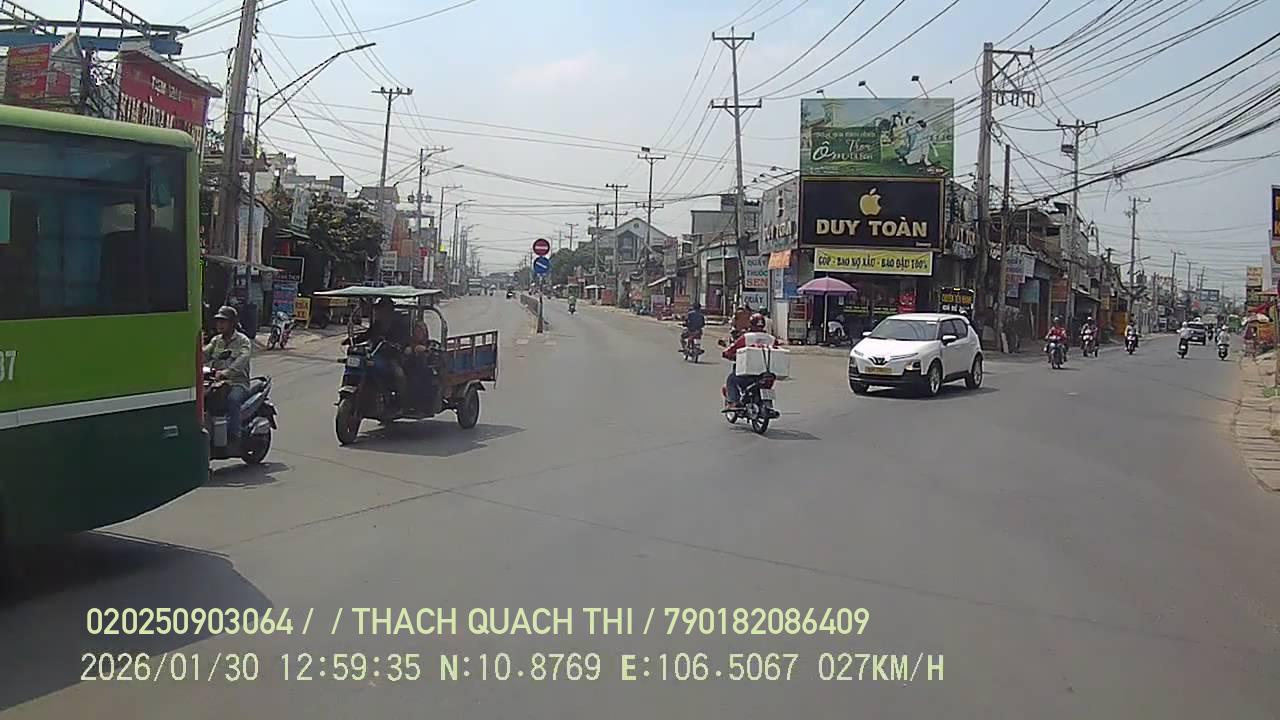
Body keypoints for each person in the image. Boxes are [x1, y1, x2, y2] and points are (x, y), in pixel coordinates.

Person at [204, 305, 252, 448]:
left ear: (232, 323)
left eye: (223, 321)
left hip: (238, 383)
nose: (219, 324)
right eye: (218, 321)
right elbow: (205, 355)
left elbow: (242, 359)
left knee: (232, 400)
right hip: (216, 382)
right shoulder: (216, 340)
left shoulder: (243, 341)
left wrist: (227, 372)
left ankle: (234, 437)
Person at [354, 297, 410, 410]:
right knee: (359, 365)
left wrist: (397, 345)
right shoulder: (378, 324)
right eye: (380, 309)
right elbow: (367, 334)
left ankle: (401, 401)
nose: (381, 312)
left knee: (398, 374)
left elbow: (404, 338)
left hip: (393, 355)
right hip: (375, 354)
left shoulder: (400, 323)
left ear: (390, 310)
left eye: (383, 309)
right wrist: (353, 340)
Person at [721, 313, 779, 409]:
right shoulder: (772, 339)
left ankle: (734, 402)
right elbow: (777, 351)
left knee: (731, 380)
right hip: (767, 374)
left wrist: (726, 354)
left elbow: (730, 350)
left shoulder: (746, 337)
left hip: (747, 375)